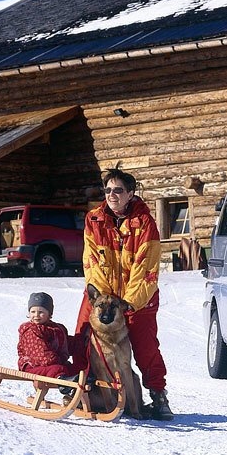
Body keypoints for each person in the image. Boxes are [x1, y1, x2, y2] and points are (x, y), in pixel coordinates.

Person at [74, 168, 173, 420]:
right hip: (103, 293)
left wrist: (128, 302)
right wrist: (101, 297)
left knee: (145, 345)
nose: (111, 194)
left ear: (130, 193)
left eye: (118, 190)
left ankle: (158, 395)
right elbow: (92, 261)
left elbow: (146, 268)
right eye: (107, 190)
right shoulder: (94, 219)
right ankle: (78, 387)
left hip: (137, 296)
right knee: (83, 332)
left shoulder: (145, 223)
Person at [17, 291, 85, 380]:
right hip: (33, 366)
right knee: (58, 369)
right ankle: (64, 384)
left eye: (41, 312)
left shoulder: (57, 328)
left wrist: (81, 344)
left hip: (53, 364)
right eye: (33, 311)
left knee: (76, 368)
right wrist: (59, 362)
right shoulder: (31, 330)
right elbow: (41, 353)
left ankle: (84, 380)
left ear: (49, 313)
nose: (36, 315)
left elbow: (66, 344)